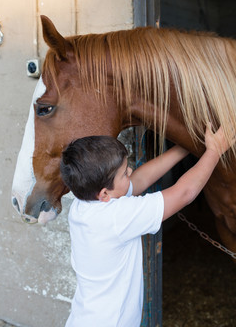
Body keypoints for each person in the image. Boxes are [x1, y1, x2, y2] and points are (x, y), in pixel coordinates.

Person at [60, 124, 234, 327]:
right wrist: (214, 151)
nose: (130, 171)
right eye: (124, 173)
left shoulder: (83, 206)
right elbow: (185, 193)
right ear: (105, 194)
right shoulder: (117, 217)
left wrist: (185, 147)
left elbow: (140, 180)